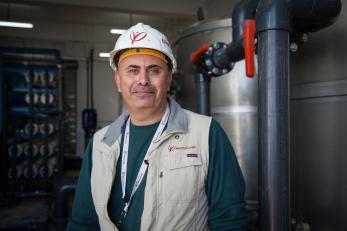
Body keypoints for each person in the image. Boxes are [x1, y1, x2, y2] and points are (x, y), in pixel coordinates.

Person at [67, 22, 247, 231]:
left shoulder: (206, 133)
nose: (143, 80)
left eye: (154, 70)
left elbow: (229, 222)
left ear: (168, 79)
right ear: (118, 80)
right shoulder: (100, 143)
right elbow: (82, 223)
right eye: (132, 70)